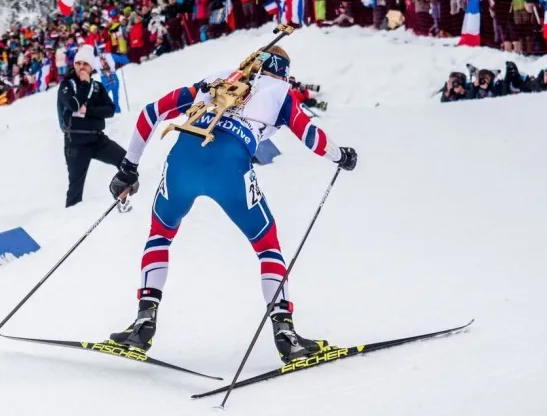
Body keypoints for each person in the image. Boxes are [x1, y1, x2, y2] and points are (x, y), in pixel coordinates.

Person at [104, 45, 358, 364]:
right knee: (267, 245)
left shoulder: (218, 78)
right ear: (283, 72)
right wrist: (342, 156)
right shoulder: (280, 91)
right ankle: (286, 335)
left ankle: (144, 323)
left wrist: (129, 167)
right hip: (230, 167)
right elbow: (311, 137)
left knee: (160, 235)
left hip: (183, 160)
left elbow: (150, 112)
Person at [57, 44, 128, 208]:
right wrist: (84, 85)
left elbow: (110, 110)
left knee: (124, 160)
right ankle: (70, 221)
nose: (81, 67)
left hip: (97, 139)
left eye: (85, 64)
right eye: (78, 63)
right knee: (75, 187)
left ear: (91, 67)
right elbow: (74, 105)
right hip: (75, 142)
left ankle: (125, 194)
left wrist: (87, 110)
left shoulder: (97, 86)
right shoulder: (67, 85)